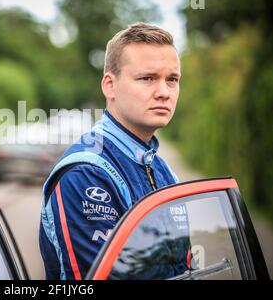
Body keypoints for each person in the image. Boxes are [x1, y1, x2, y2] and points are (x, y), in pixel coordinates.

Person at [39, 22, 193, 280]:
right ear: (110, 85)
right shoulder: (84, 172)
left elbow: (186, 268)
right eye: (147, 78)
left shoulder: (165, 172)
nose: (164, 92)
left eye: (172, 79)